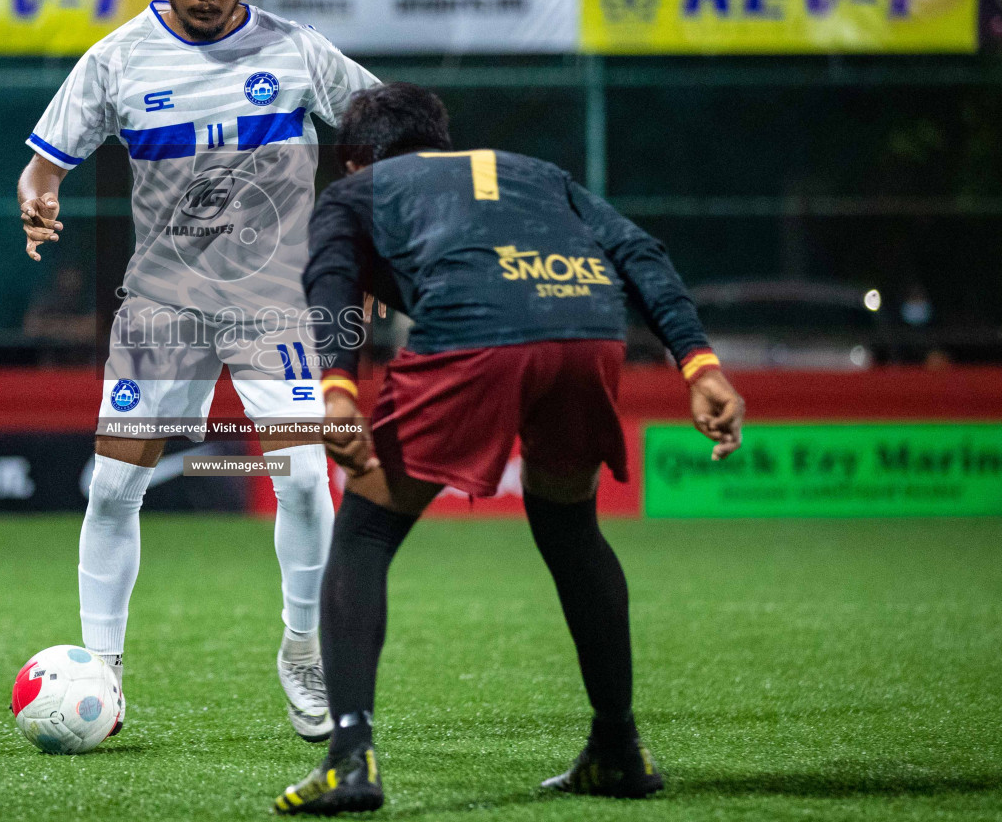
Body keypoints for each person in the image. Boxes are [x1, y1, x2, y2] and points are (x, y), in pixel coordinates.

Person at [273, 83, 745, 813]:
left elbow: (329, 280)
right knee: (570, 527)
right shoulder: (537, 174)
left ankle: (348, 759)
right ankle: (618, 748)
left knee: (365, 532)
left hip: (476, 330)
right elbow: (637, 250)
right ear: (442, 139)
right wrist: (699, 364)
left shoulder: (358, 189)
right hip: (587, 327)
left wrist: (337, 388)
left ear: (353, 157)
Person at [15, 0, 380, 741]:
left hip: (275, 302)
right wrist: (39, 192)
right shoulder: (115, 62)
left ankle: (304, 650)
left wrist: (376, 230)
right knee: (111, 488)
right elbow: (44, 163)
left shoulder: (296, 51)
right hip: (164, 308)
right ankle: (100, 672)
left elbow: (385, 129)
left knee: (301, 478)